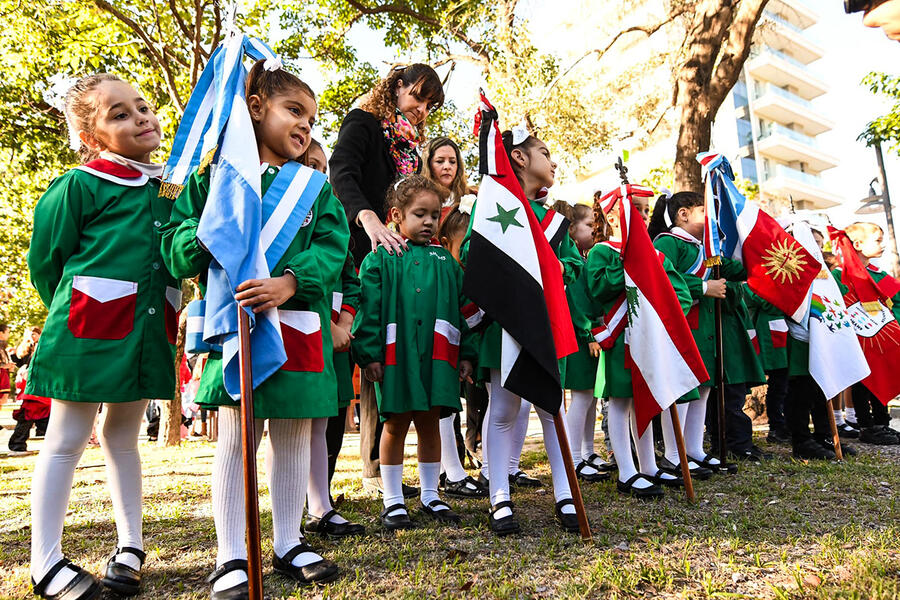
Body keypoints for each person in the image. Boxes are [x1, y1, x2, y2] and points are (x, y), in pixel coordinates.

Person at [161, 61, 349, 598]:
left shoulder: (316, 188)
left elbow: (332, 250)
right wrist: (209, 234)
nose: (305, 126)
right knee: (237, 439)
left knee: (292, 434)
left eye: (312, 119)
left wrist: (291, 281)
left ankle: (288, 540)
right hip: (232, 325)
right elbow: (176, 246)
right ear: (255, 108)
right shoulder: (212, 178)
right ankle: (231, 554)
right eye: (295, 111)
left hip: (298, 326)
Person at [26, 73, 176, 600]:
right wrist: (82, 307)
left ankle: (130, 545)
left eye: (142, 106)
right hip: (86, 329)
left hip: (145, 332)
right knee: (66, 440)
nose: (140, 117)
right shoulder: (79, 185)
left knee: (123, 437)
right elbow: (47, 262)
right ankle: (44, 561)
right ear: (90, 137)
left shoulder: (170, 187)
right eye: (119, 114)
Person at [330, 63, 444, 497]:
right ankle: (376, 469)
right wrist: (370, 220)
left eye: (430, 104)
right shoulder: (363, 123)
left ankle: (390, 467)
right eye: (417, 96)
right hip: (366, 251)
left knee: (400, 353)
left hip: (403, 257)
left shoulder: (411, 146)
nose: (422, 108)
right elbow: (342, 172)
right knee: (375, 354)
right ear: (396, 87)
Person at [460, 130, 583, 536]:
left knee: (552, 409)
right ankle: (499, 497)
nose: (553, 162)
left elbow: (572, 267)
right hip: (505, 325)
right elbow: (470, 256)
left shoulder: (558, 223)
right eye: (545, 153)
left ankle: (566, 493)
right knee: (503, 411)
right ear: (518, 158)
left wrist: (563, 270)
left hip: (545, 325)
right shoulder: (492, 205)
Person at [351, 175, 476, 530]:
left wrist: (467, 353)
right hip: (396, 360)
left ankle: (431, 494)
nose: (429, 222)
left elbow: (463, 310)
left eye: (434, 215)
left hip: (437, 360)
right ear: (396, 215)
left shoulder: (447, 263)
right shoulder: (381, 259)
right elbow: (369, 310)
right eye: (420, 214)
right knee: (394, 425)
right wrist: (370, 354)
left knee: (431, 424)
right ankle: (392, 500)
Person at [293, 139, 365, 539]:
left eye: (322, 167)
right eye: (308, 163)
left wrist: (344, 326)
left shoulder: (332, 218)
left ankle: (320, 505)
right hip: (297, 331)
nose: (317, 172)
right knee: (290, 426)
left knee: (322, 423)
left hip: (332, 342)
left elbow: (351, 283)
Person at [648, 191, 743, 475]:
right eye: (704, 211)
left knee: (702, 389)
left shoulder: (707, 249)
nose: (710, 218)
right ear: (683, 214)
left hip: (703, 329)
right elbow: (662, 279)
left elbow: (736, 268)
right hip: (683, 325)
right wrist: (703, 287)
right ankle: (674, 453)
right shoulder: (668, 241)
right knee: (681, 390)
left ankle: (693, 448)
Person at [434, 200, 489, 498]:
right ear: (446, 244)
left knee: (462, 407)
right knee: (444, 407)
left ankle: (463, 466)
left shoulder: (472, 276)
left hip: (464, 346)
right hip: (442, 346)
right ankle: (450, 470)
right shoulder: (445, 272)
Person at [832, 221, 900, 444]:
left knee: (882, 373)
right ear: (859, 244)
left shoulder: (878, 274)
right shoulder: (839, 275)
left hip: (879, 336)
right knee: (862, 380)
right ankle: (866, 426)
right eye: (878, 240)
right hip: (857, 337)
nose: (883, 245)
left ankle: (882, 422)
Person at [557, 202, 607, 483]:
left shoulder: (585, 256)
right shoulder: (573, 258)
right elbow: (575, 302)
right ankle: (573, 457)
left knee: (590, 396)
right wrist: (588, 333)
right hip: (578, 336)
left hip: (589, 335)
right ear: (572, 229)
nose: (595, 229)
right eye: (590, 225)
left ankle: (587, 451)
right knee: (582, 396)